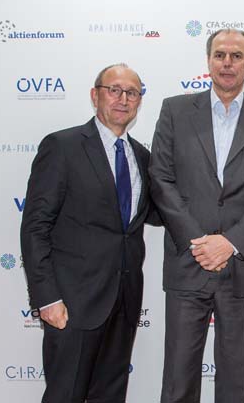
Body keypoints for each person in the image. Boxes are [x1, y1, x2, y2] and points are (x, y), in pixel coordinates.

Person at [149, 28, 244, 403]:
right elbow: (160, 179)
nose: (227, 63)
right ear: (208, 61)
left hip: (240, 267)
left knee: (234, 384)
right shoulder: (175, 110)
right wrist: (200, 243)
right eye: (220, 55)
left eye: (237, 56)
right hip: (188, 261)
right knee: (178, 381)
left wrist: (229, 243)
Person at [21, 63, 160, 403]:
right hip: (72, 304)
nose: (123, 99)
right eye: (114, 90)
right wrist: (47, 298)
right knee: (65, 395)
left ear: (139, 101)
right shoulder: (62, 146)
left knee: (110, 395)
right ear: (95, 95)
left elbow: (154, 215)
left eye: (132, 93)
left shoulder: (142, 157)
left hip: (124, 302)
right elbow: (35, 227)